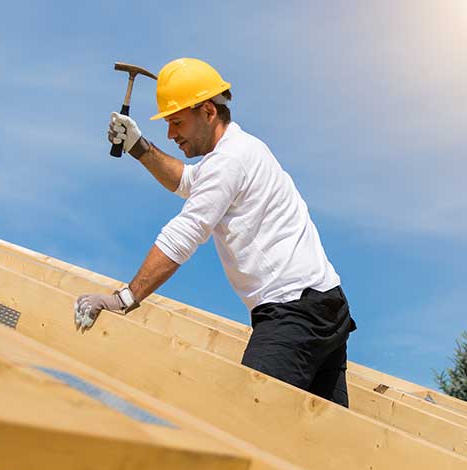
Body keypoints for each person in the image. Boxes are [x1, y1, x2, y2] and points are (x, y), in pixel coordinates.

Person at [76, 58, 355, 408]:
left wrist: (125, 298)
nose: (170, 134)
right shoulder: (241, 150)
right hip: (327, 307)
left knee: (244, 426)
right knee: (324, 443)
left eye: (177, 122)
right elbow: (187, 181)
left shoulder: (229, 162)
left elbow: (185, 232)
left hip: (293, 313)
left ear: (208, 112)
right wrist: (138, 146)